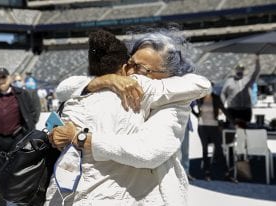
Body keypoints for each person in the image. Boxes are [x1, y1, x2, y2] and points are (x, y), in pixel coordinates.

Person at [46, 29, 211, 205]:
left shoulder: (174, 103)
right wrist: (104, 80)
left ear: (167, 75)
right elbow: (64, 88)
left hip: (140, 195)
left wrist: (80, 138)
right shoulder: (116, 86)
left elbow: (149, 151)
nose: (130, 72)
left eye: (140, 68)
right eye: (130, 62)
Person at [0, 68, 40, 206]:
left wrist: (24, 131)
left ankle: (22, 203)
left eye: (3, 76)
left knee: (19, 174)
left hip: (16, 140)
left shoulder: (21, 94)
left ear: (9, 78)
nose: (1, 79)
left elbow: (33, 113)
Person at [195, 86, 237, 182]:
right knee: (205, 150)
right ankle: (207, 173)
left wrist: (233, 123)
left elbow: (224, 110)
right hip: (202, 127)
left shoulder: (216, 98)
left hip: (214, 127)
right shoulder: (199, 98)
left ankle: (227, 173)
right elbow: (194, 109)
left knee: (219, 149)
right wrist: (196, 115)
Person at [220, 55, 260, 124]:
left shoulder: (247, 80)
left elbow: (256, 73)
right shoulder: (229, 81)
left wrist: (257, 61)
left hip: (246, 111)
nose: (239, 70)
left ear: (243, 70)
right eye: (238, 69)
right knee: (230, 131)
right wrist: (221, 106)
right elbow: (223, 93)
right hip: (232, 110)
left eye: (241, 69)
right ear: (235, 70)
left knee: (246, 131)